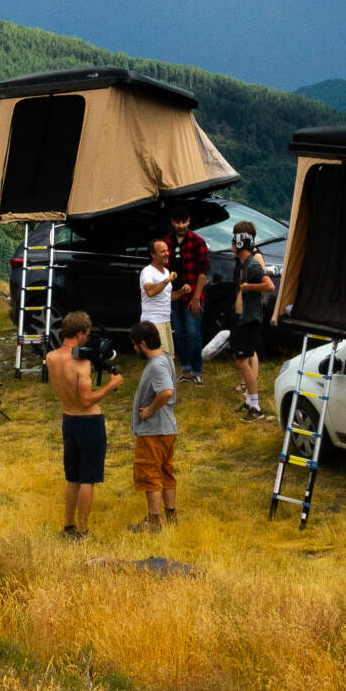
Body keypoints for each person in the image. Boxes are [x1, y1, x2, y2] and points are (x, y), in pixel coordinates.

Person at [45, 311, 121, 540]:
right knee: (88, 478)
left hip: (68, 418)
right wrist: (112, 385)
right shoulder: (82, 363)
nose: (88, 338)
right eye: (87, 334)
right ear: (79, 334)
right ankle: (82, 530)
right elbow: (86, 400)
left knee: (73, 477)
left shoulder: (51, 357)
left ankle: (67, 526)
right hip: (88, 421)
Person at [127, 319, 179, 532]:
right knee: (166, 472)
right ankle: (171, 516)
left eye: (135, 344)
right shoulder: (165, 358)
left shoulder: (157, 364)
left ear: (143, 343)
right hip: (166, 428)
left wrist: (149, 410)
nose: (134, 349)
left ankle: (154, 521)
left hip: (154, 430)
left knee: (151, 475)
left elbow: (166, 391)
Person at [229, 224, 275, 420]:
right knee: (241, 359)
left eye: (233, 243)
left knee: (243, 359)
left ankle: (255, 406)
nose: (231, 247)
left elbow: (269, 286)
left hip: (252, 318)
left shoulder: (252, 265)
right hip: (245, 317)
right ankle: (249, 401)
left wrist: (248, 287)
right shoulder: (244, 263)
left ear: (240, 245)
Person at [167, 206, 210, 383]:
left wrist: (196, 298)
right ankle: (185, 371)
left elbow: (203, 272)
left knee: (193, 333)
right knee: (180, 333)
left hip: (193, 296)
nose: (181, 226)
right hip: (174, 295)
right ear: (173, 222)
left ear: (189, 221)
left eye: (184, 222)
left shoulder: (198, 242)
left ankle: (196, 371)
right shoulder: (167, 243)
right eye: (178, 222)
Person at [139, 238, 174, 335]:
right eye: (163, 251)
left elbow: (167, 296)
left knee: (168, 351)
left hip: (166, 321)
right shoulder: (147, 271)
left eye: (167, 250)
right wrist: (167, 280)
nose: (167, 253)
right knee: (159, 350)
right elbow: (150, 291)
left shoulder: (166, 271)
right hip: (153, 323)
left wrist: (183, 291)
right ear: (153, 255)